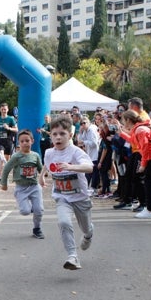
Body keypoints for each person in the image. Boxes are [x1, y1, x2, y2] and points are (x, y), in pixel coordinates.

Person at [39, 115, 94, 270]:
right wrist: (42, 175)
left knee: (86, 228)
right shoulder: (49, 152)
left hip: (80, 197)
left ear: (70, 135)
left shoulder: (76, 152)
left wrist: (71, 167)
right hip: (62, 196)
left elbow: (89, 167)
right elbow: (47, 164)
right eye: (55, 134)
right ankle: (72, 256)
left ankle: (89, 234)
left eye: (62, 134)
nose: (58, 137)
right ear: (50, 135)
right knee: (63, 222)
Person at [0, 129, 45, 239]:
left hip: (34, 186)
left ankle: (37, 229)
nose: (25, 143)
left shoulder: (35, 155)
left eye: (27, 140)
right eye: (22, 141)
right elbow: (6, 169)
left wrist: (44, 176)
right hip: (21, 187)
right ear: (19, 143)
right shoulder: (16, 156)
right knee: (25, 211)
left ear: (32, 141)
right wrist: (4, 183)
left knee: (39, 210)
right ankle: (26, 203)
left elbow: (41, 168)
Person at [120, 110, 151, 219]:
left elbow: (145, 149)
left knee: (149, 183)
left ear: (128, 120)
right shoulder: (139, 128)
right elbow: (134, 141)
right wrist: (121, 133)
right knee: (149, 183)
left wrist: (143, 164)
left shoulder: (140, 130)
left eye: (123, 120)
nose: (122, 122)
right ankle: (149, 209)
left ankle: (150, 210)